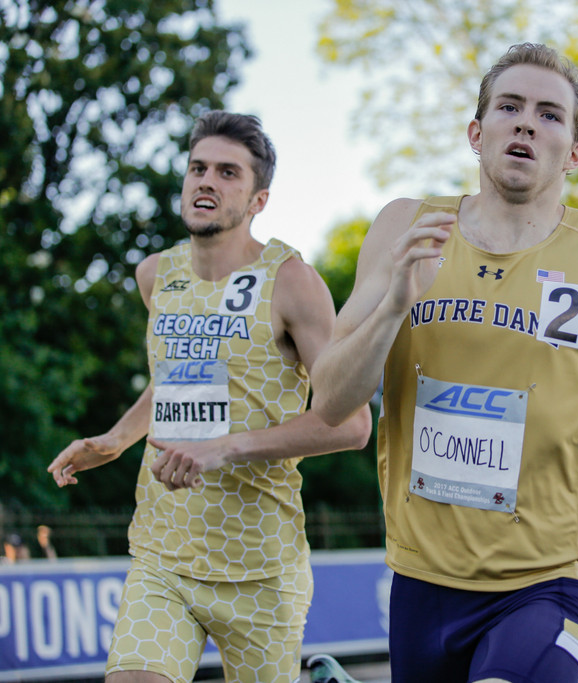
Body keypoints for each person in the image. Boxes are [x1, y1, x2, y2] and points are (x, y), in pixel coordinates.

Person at [308, 43, 578, 683]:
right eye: (509, 107)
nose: (525, 122)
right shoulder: (406, 230)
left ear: (574, 152)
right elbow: (328, 403)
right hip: (422, 582)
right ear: (477, 131)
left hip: (553, 577)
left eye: (549, 115)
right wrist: (392, 311)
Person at [47, 111, 372, 683]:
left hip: (260, 565)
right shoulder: (157, 275)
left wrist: (226, 448)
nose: (206, 181)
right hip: (163, 551)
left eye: (227, 173)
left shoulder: (291, 280)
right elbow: (180, 376)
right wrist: (119, 437)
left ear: (257, 200)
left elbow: (350, 424)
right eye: (198, 168)